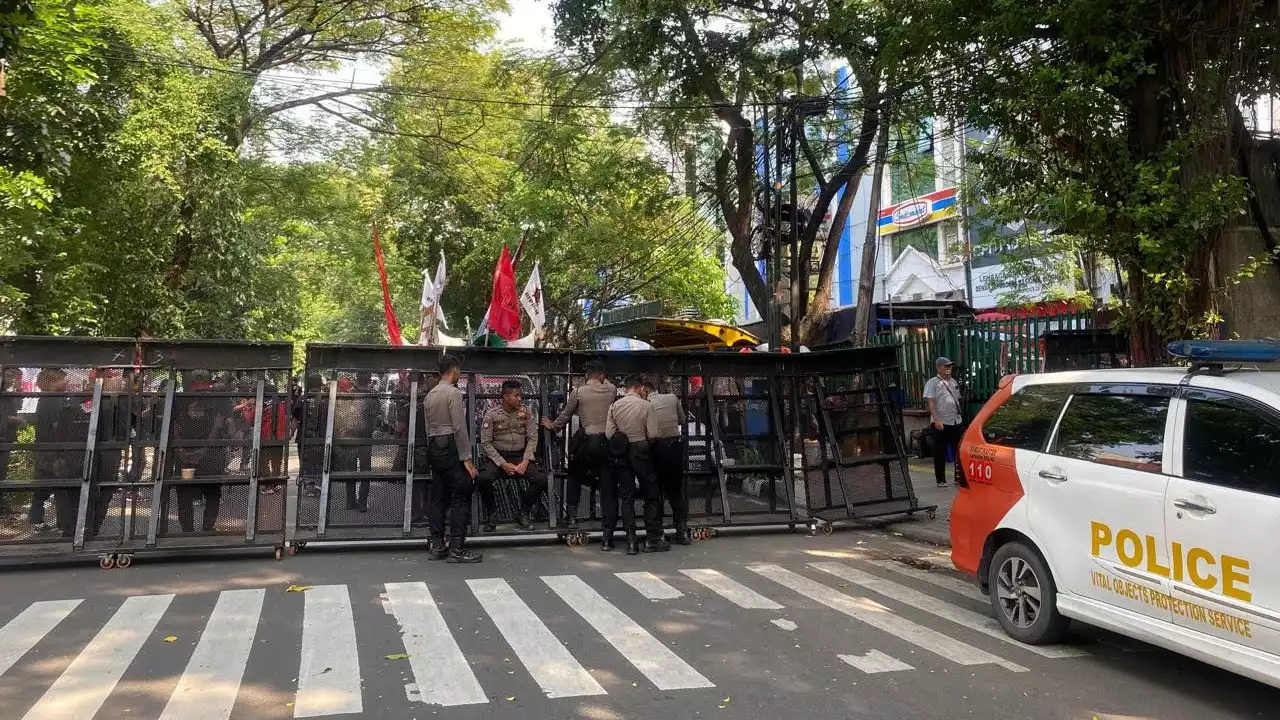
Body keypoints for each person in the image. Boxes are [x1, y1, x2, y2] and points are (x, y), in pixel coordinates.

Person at [543, 360, 615, 544]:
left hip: (588, 442)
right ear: (602, 375)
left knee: (574, 473)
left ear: (588, 375)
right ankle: (608, 526)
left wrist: (553, 425)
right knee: (607, 483)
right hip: (606, 442)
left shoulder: (579, 392)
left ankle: (573, 515)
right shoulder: (611, 390)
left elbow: (566, 415)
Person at [422, 355, 482, 563]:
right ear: (454, 370)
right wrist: (467, 459)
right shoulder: (453, 393)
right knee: (461, 494)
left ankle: (437, 545)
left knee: (438, 497)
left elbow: (428, 429)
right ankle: (457, 548)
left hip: (434, 447)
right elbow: (459, 427)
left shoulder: (430, 395)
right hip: (451, 447)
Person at [477, 380, 547, 531]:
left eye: (520, 395)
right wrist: (502, 464)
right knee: (483, 479)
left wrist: (525, 461)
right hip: (498, 457)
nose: (520, 399)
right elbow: (486, 443)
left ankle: (523, 512)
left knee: (541, 479)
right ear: (505, 397)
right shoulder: (492, 415)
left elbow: (532, 438)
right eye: (516, 396)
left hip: (520, 456)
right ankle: (492, 514)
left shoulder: (526, 412)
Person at [606, 374, 662, 555]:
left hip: (622, 453)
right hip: (641, 450)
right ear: (640, 388)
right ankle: (651, 539)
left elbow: (609, 433)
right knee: (651, 494)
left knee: (627, 496)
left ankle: (631, 541)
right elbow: (653, 434)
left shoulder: (615, 406)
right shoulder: (647, 406)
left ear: (626, 388)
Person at [645, 376, 690, 546]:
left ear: (644, 391)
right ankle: (682, 531)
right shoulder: (672, 398)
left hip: (656, 448)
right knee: (675, 491)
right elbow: (682, 419)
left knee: (656, 491)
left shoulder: (646, 404)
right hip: (674, 447)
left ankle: (658, 532)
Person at [923, 356, 963, 488]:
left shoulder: (953, 382)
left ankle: (959, 478)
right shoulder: (932, 383)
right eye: (946, 366)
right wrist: (936, 419)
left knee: (959, 450)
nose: (949, 369)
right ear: (939, 367)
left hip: (955, 420)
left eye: (950, 366)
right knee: (940, 451)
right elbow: (931, 402)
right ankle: (940, 479)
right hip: (941, 421)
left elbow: (957, 400)